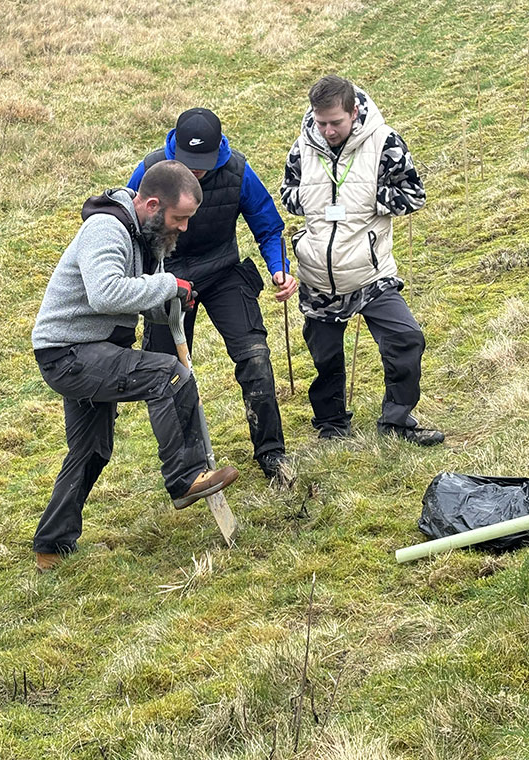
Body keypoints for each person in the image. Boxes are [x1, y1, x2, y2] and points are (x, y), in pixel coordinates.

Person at [31, 161, 238, 572]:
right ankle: (185, 478)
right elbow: (105, 294)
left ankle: (51, 546)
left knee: (92, 449)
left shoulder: (148, 238)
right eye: (179, 218)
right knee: (169, 375)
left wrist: (170, 301)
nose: (182, 228)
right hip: (69, 353)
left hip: (93, 350)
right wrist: (166, 285)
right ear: (152, 204)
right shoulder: (107, 229)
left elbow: (139, 299)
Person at [128, 108, 298, 485]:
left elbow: (268, 225)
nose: (197, 172)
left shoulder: (238, 170)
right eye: (190, 164)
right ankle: (187, 469)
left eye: (203, 164)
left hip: (223, 272)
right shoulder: (153, 169)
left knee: (255, 357)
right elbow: (126, 224)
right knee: (165, 374)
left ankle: (272, 453)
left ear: (218, 149)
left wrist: (278, 267)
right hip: (166, 280)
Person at [281, 75, 444, 445]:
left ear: (354, 112)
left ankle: (397, 422)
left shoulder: (385, 142)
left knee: (406, 339)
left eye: (335, 122)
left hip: (372, 273)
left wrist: (369, 199)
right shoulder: (302, 147)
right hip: (318, 276)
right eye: (320, 122)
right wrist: (309, 203)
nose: (327, 130)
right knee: (325, 360)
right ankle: (332, 424)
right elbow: (287, 192)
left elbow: (413, 195)